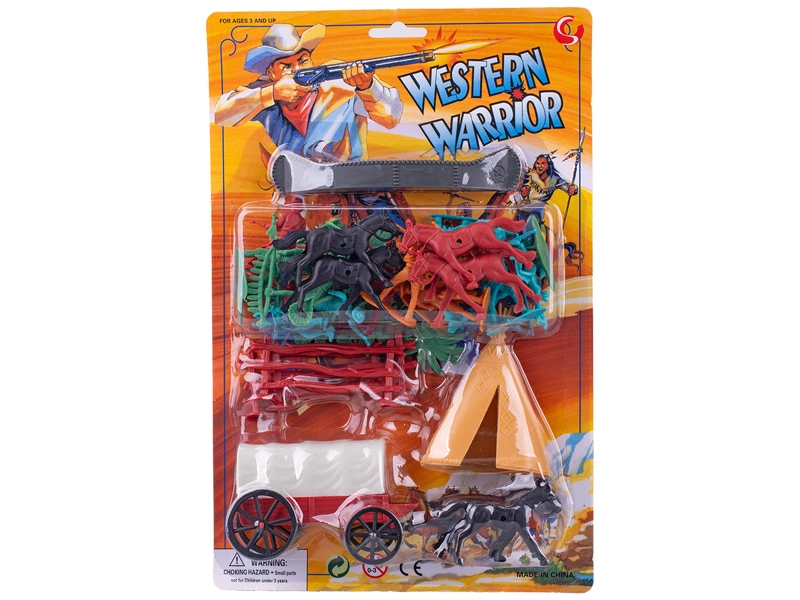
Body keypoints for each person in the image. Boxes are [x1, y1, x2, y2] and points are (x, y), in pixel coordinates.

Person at [214, 24, 403, 162]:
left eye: (303, 61)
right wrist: (270, 94)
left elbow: (391, 118)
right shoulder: (264, 93)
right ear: (271, 73)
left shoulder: (341, 84)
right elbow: (220, 114)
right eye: (286, 66)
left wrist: (367, 86)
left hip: (352, 188)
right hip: (294, 190)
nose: (297, 70)